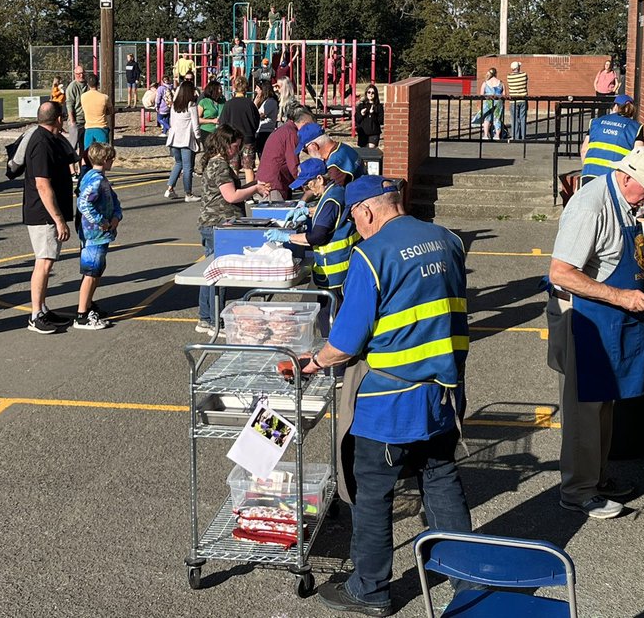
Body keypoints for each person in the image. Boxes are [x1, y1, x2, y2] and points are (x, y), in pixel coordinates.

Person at [301, 175, 471, 615]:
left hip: (391, 399)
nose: (356, 228)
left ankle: (370, 588)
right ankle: (467, 578)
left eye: (356, 219)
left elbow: (345, 343)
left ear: (368, 211)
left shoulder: (371, 254)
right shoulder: (447, 240)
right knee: (440, 477)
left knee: (372, 491)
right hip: (444, 391)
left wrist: (314, 362)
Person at [546, 145, 644, 520]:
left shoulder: (624, 201)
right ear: (627, 175)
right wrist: (620, 296)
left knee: (604, 404)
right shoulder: (591, 206)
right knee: (585, 409)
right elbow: (561, 273)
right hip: (583, 316)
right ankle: (577, 491)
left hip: (608, 314)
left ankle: (596, 478)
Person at [195, 126, 270, 333]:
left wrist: (254, 183)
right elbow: (231, 196)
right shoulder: (220, 165)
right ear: (225, 145)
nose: (236, 151)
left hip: (215, 222)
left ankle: (205, 317)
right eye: (235, 146)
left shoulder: (216, 162)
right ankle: (212, 319)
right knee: (218, 273)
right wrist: (254, 188)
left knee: (209, 272)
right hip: (219, 224)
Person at [22, 101, 78, 334]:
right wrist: (59, 220)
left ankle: (42, 307)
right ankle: (35, 315)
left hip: (46, 213)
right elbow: (43, 185)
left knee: (48, 261)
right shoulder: (41, 143)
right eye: (62, 117)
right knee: (44, 263)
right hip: (42, 214)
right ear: (58, 119)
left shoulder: (50, 139)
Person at [266, 159, 359, 297]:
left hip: (333, 271)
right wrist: (307, 211)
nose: (306, 190)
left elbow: (317, 237)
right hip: (346, 267)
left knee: (329, 314)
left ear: (320, 179)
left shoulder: (330, 200)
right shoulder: (336, 190)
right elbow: (330, 213)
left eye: (308, 185)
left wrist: (286, 237)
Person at [75, 141, 120, 329]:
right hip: (94, 233)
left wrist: (117, 215)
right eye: (111, 159)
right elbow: (83, 203)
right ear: (105, 159)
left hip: (100, 233)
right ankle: (82, 314)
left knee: (96, 270)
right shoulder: (96, 180)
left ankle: (89, 304)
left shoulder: (96, 177)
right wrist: (102, 221)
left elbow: (114, 198)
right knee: (91, 272)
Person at [580, 94, 644, 184]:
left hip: (590, 173)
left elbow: (584, 150)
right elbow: (639, 156)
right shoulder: (636, 127)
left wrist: (586, 168)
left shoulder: (595, 122)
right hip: (615, 178)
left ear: (615, 107)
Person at [256, 106, 314, 201]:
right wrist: (304, 185)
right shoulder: (291, 134)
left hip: (268, 180)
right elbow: (293, 165)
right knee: (275, 214)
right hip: (273, 184)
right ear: (304, 123)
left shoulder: (285, 130)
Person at [164, 81, 202, 202]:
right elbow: (196, 125)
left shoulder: (175, 105)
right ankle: (188, 193)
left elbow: (171, 122)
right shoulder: (191, 105)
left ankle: (170, 188)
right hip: (186, 139)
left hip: (174, 139)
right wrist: (198, 138)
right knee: (188, 167)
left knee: (178, 163)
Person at [218, 75, 259, 175]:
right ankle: (250, 189)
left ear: (234, 88)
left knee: (233, 168)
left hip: (232, 140)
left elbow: (222, 122)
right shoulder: (250, 104)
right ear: (246, 88)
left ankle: (235, 189)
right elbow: (256, 121)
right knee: (248, 168)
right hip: (248, 139)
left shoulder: (228, 104)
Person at [300, 124, 362, 188]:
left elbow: (334, 194)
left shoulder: (335, 165)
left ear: (314, 146)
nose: (308, 154)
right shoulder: (343, 147)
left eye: (306, 150)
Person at [80, 73, 111, 151]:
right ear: (98, 83)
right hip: (101, 127)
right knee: (103, 153)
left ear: (88, 84)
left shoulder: (83, 97)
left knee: (87, 153)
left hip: (89, 128)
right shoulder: (104, 97)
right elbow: (111, 110)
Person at [473, 67, 504, 141]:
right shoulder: (501, 83)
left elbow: (481, 94)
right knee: (497, 118)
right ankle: (497, 135)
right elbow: (504, 94)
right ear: (496, 73)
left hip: (488, 102)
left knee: (486, 119)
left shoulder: (485, 83)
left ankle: (486, 135)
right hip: (498, 101)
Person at [65, 64, 89, 158]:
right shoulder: (72, 87)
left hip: (87, 121)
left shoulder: (88, 85)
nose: (81, 76)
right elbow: (69, 105)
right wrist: (72, 122)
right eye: (78, 74)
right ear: (75, 74)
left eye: (83, 73)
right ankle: (71, 170)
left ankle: (81, 168)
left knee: (85, 147)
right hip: (76, 121)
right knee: (72, 146)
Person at [254, 80, 279, 155]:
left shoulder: (270, 102)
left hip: (266, 131)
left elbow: (259, 115)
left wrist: (255, 104)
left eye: (257, 88)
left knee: (263, 153)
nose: (255, 90)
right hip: (260, 130)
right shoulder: (264, 101)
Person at [506, 61, 529, 142]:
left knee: (514, 118)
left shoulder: (509, 77)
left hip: (513, 100)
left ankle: (515, 136)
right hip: (523, 99)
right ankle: (523, 136)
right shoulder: (524, 75)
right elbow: (526, 81)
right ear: (518, 67)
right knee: (523, 118)